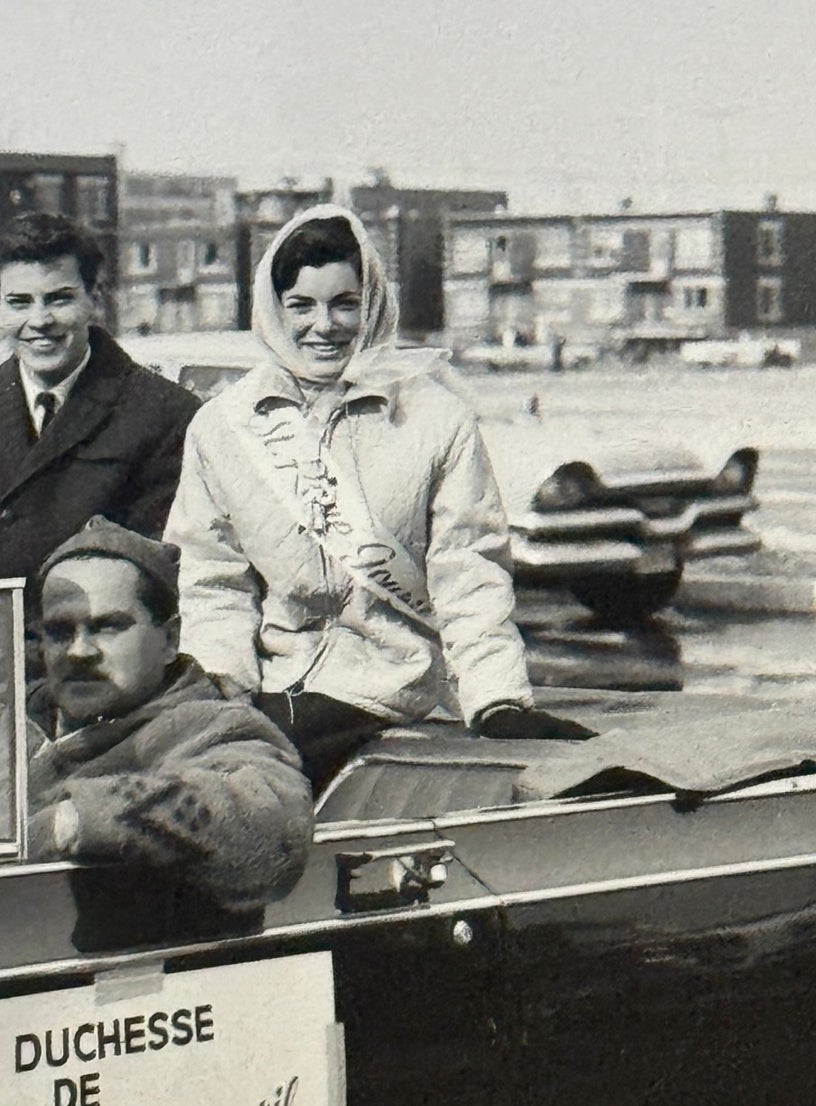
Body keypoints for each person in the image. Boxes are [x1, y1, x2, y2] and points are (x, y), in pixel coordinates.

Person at [165, 205, 587, 788]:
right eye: (302, 305)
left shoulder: (436, 420)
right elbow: (212, 578)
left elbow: (470, 572)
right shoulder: (224, 426)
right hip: (270, 681)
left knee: (243, 769)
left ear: (372, 305)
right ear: (272, 308)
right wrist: (222, 679)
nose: (325, 325)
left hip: (390, 681)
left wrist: (496, 698)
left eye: (345, 304)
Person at [27, 518, 312, 950]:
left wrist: (71, 822)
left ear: (169, 638)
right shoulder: (19, 724)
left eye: (109, 626)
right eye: (60, 631)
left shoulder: (212, 727)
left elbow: (273, 824)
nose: (79, 651)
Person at [0, 213, 200, 579]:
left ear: (95, 300)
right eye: (19, 302)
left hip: (86, 629)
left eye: (59, 299)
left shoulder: (167, 414)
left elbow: (155, 570)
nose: (40, 320)